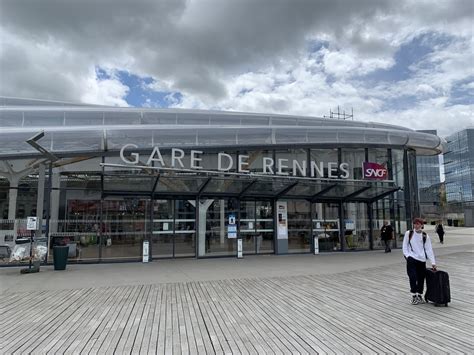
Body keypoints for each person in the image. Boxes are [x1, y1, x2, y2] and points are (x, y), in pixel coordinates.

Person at [402, 217, 437, 305]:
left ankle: (419, 295)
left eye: (418, 224)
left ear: (422, 225)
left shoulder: (425, 236)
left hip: (422, 260)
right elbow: (404, 246)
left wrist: (433, 262)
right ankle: (414, 296)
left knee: (421, 278)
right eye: (415, 224)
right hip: (411, 259)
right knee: (412, 277)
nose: (416, 226)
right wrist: (407, 256)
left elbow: (429, 249)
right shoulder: (409, 233)